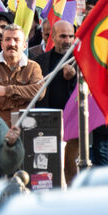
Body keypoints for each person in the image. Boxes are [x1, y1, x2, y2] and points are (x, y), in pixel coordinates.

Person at [35, 20, 80, 184]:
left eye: (71, 36)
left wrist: (73, 78)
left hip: (72, 125)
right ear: (52, 37)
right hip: (46, 123)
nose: (67, 40)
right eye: (63, 36)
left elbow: (86, 91)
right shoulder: (40, 61)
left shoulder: (81, 60)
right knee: (45, 168)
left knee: (71, 169)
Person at [0, 25, 44, 127]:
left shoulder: (33, 67)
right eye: (7, 39)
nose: (11, 44)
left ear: (25, 45)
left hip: (24, 128)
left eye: (16, 40)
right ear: (2, 44)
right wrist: (24, 99)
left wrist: (7, 91)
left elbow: (39, 92)